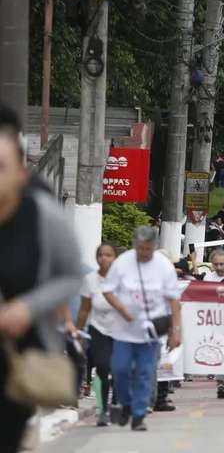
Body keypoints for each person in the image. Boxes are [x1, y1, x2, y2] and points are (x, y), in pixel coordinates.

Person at [0, 103, 83, 451]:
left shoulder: (41, 213)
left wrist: (28, 307)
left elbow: (71, 275)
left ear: (21, 170)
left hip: (15, 363)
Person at [102, 226, 182, 431]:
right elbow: (108, 291)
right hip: (124, 330)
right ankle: (126, 403)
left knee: (145, 373)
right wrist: (122, 309)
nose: (144, 253)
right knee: (120, 370)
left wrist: (176, 331)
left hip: (151, 331)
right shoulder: (122, 263)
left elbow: (174, 300)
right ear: (134, 245)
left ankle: (138, 415)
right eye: (140, 249)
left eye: (147, 249)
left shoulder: (164, 266)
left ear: (154, 246)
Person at [76, 243, 119, 426]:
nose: (104, 258)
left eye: (109, 255)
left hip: (120, 330)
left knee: (119, 369)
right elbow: (85, 309)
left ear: (115, 258)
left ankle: (117, 404)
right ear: (96, 258)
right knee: (102, 367)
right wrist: (78, 330)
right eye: (101, 255)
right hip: (98, 329)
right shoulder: (90, 280)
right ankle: (103, 411)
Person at [202, 249, 224, 399]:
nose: (219, 267)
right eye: (216, 264)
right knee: (219, 350)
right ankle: (221, 382)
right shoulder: (208, 278)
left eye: (222, 264)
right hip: (215, 320)